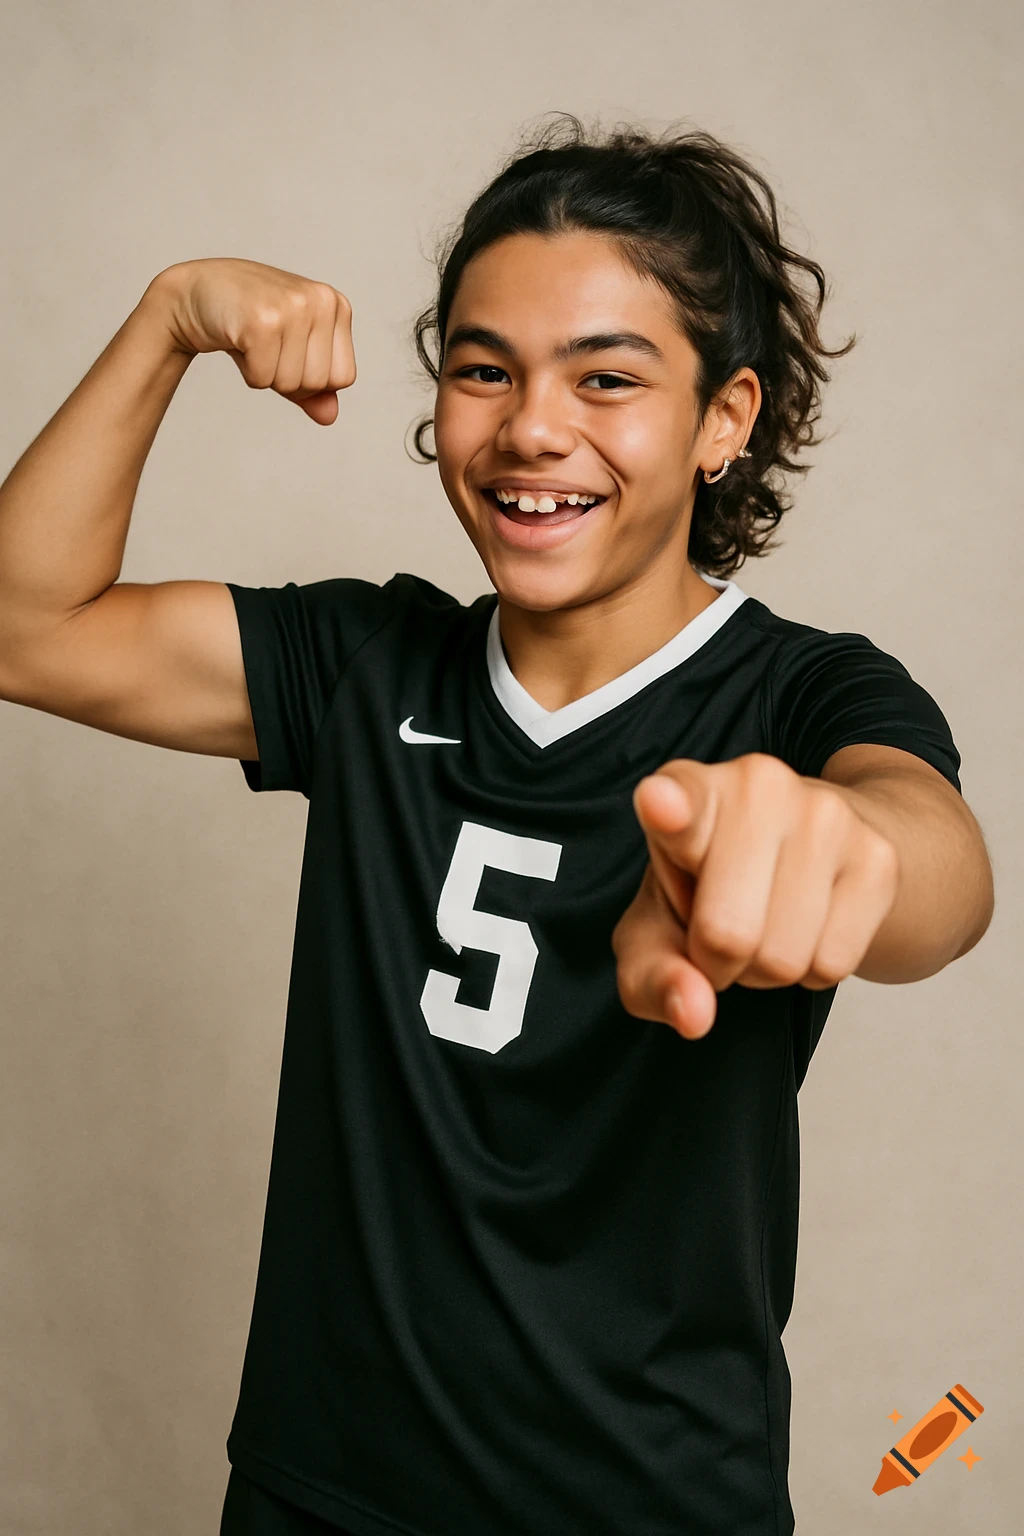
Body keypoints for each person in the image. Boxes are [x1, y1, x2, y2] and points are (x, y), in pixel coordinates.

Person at [0, 113, 993, 1536]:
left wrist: (844, 848)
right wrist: (168, 320)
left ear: (727, 418)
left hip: (643, 1505)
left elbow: (936, 870)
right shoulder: (367, 666)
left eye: (608, 377)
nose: (532, 427)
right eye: (484, 370)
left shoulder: (802, 692)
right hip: (312, 1491)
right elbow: (26, 626)